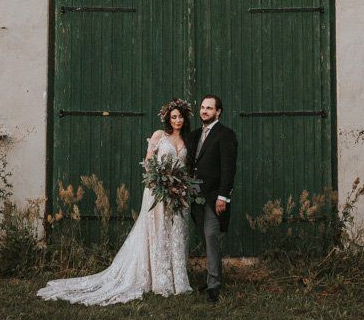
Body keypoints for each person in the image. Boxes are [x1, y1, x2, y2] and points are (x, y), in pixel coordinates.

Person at [36, 98, 193, 306]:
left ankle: (178, 281)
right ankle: (159, 280)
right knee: (158, 231)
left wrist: (180, 185)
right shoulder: (159, 136)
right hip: (157, 191)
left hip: (178, 193)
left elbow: (186, 167)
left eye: (180, 116)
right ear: (167, 118)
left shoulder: (187, 140)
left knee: (175, 233)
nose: (177, 120)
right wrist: (158, 178)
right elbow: (148, 161)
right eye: (174, 117)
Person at [185, 94, 237, 303]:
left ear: (218, 112)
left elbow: (228, 168)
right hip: (196, 197)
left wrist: (223, 197)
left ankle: (214, 286)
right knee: (207, 239)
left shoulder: (226, 135)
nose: (204, 111)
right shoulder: (195, 135)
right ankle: (210, 278)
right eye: (202, 107)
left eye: (209, 108)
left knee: (211, 237)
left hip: (214, 197)